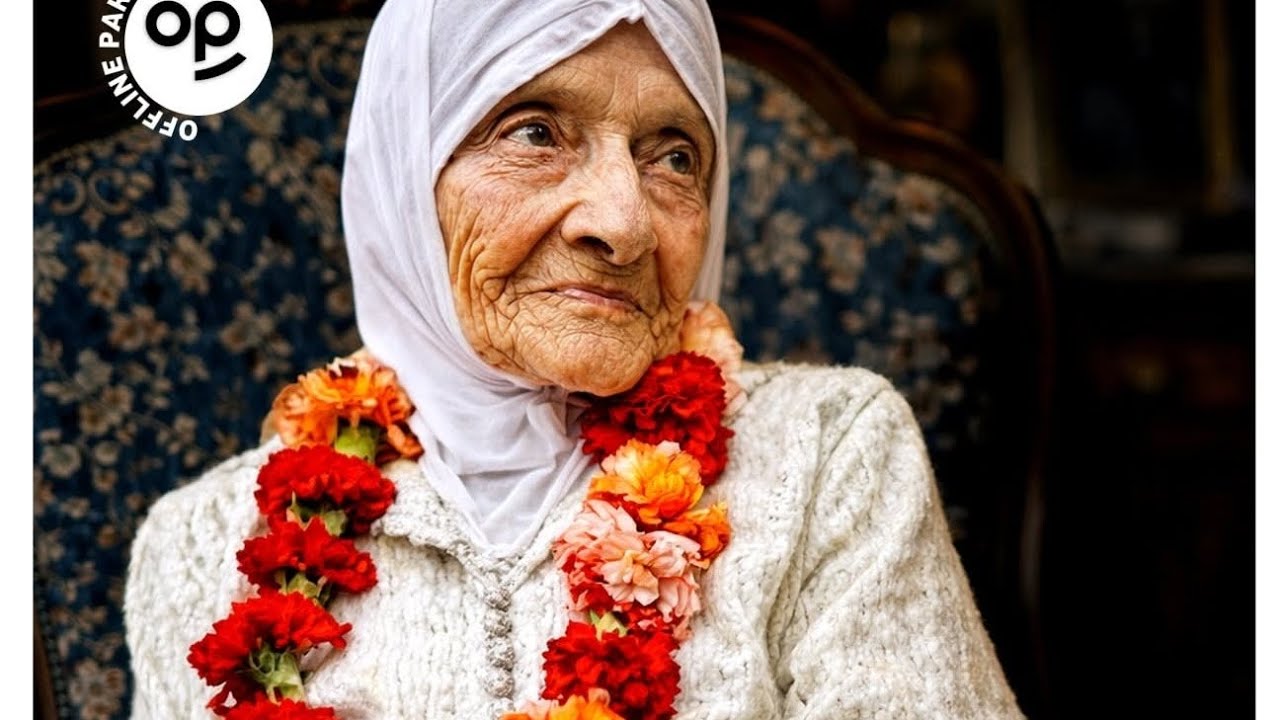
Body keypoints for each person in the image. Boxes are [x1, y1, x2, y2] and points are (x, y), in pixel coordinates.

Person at [124, 0, 1024, 718]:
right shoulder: (206, 546)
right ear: (407, 177)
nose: (623, 222)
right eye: (535, 133)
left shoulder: (831, 456)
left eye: (674, 156)